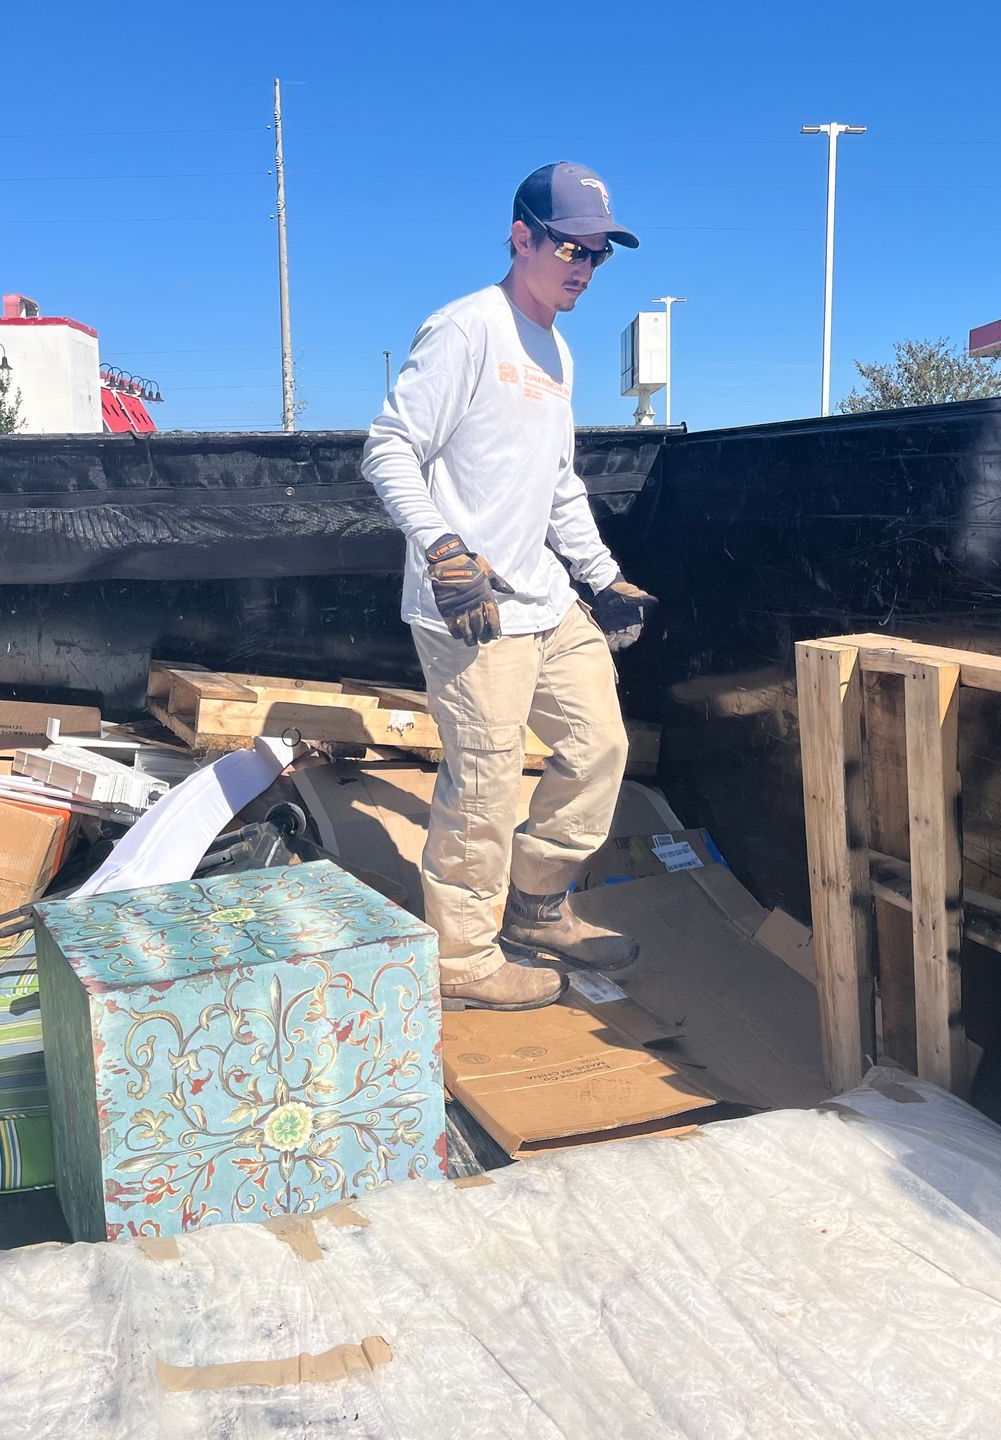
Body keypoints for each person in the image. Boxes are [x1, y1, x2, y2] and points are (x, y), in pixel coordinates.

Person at [361, 161, 659, 1011]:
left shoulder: (557, 348)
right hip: (469, 605)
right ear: (521, 236)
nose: (583, 267)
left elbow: (557, 482)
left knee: (600, 747)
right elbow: (389, 449)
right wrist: (445, 551)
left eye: (599, 254)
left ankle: (535, 903)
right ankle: (460, 961)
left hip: (541, 595)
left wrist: (602, 578)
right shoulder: (467, 330)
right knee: (487, 783)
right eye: (570, 246)